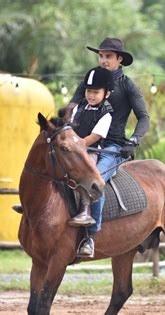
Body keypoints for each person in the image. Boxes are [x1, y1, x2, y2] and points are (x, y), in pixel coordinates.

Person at [67, 37, 150, 257]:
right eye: (101, 56)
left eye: (108, 56)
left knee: (96, 180)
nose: (103, 60)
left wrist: (134, 141)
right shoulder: (92, 80)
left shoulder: (128, 85)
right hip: (83, 143)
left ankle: (89, 238)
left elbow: (144, 118)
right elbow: (72, 106)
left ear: (119, 59)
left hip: (111, 147)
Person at [66, 66, 114, 228]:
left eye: (96, 92)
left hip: (89, 151)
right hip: (71, 149)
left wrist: (77, 146)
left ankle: (85, 210)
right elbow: (70, 127)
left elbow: (95, 137)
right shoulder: (79, 106)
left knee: (87, 174)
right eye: (88, 91)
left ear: (106, 94)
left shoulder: (106, 114)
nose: (91, 96)